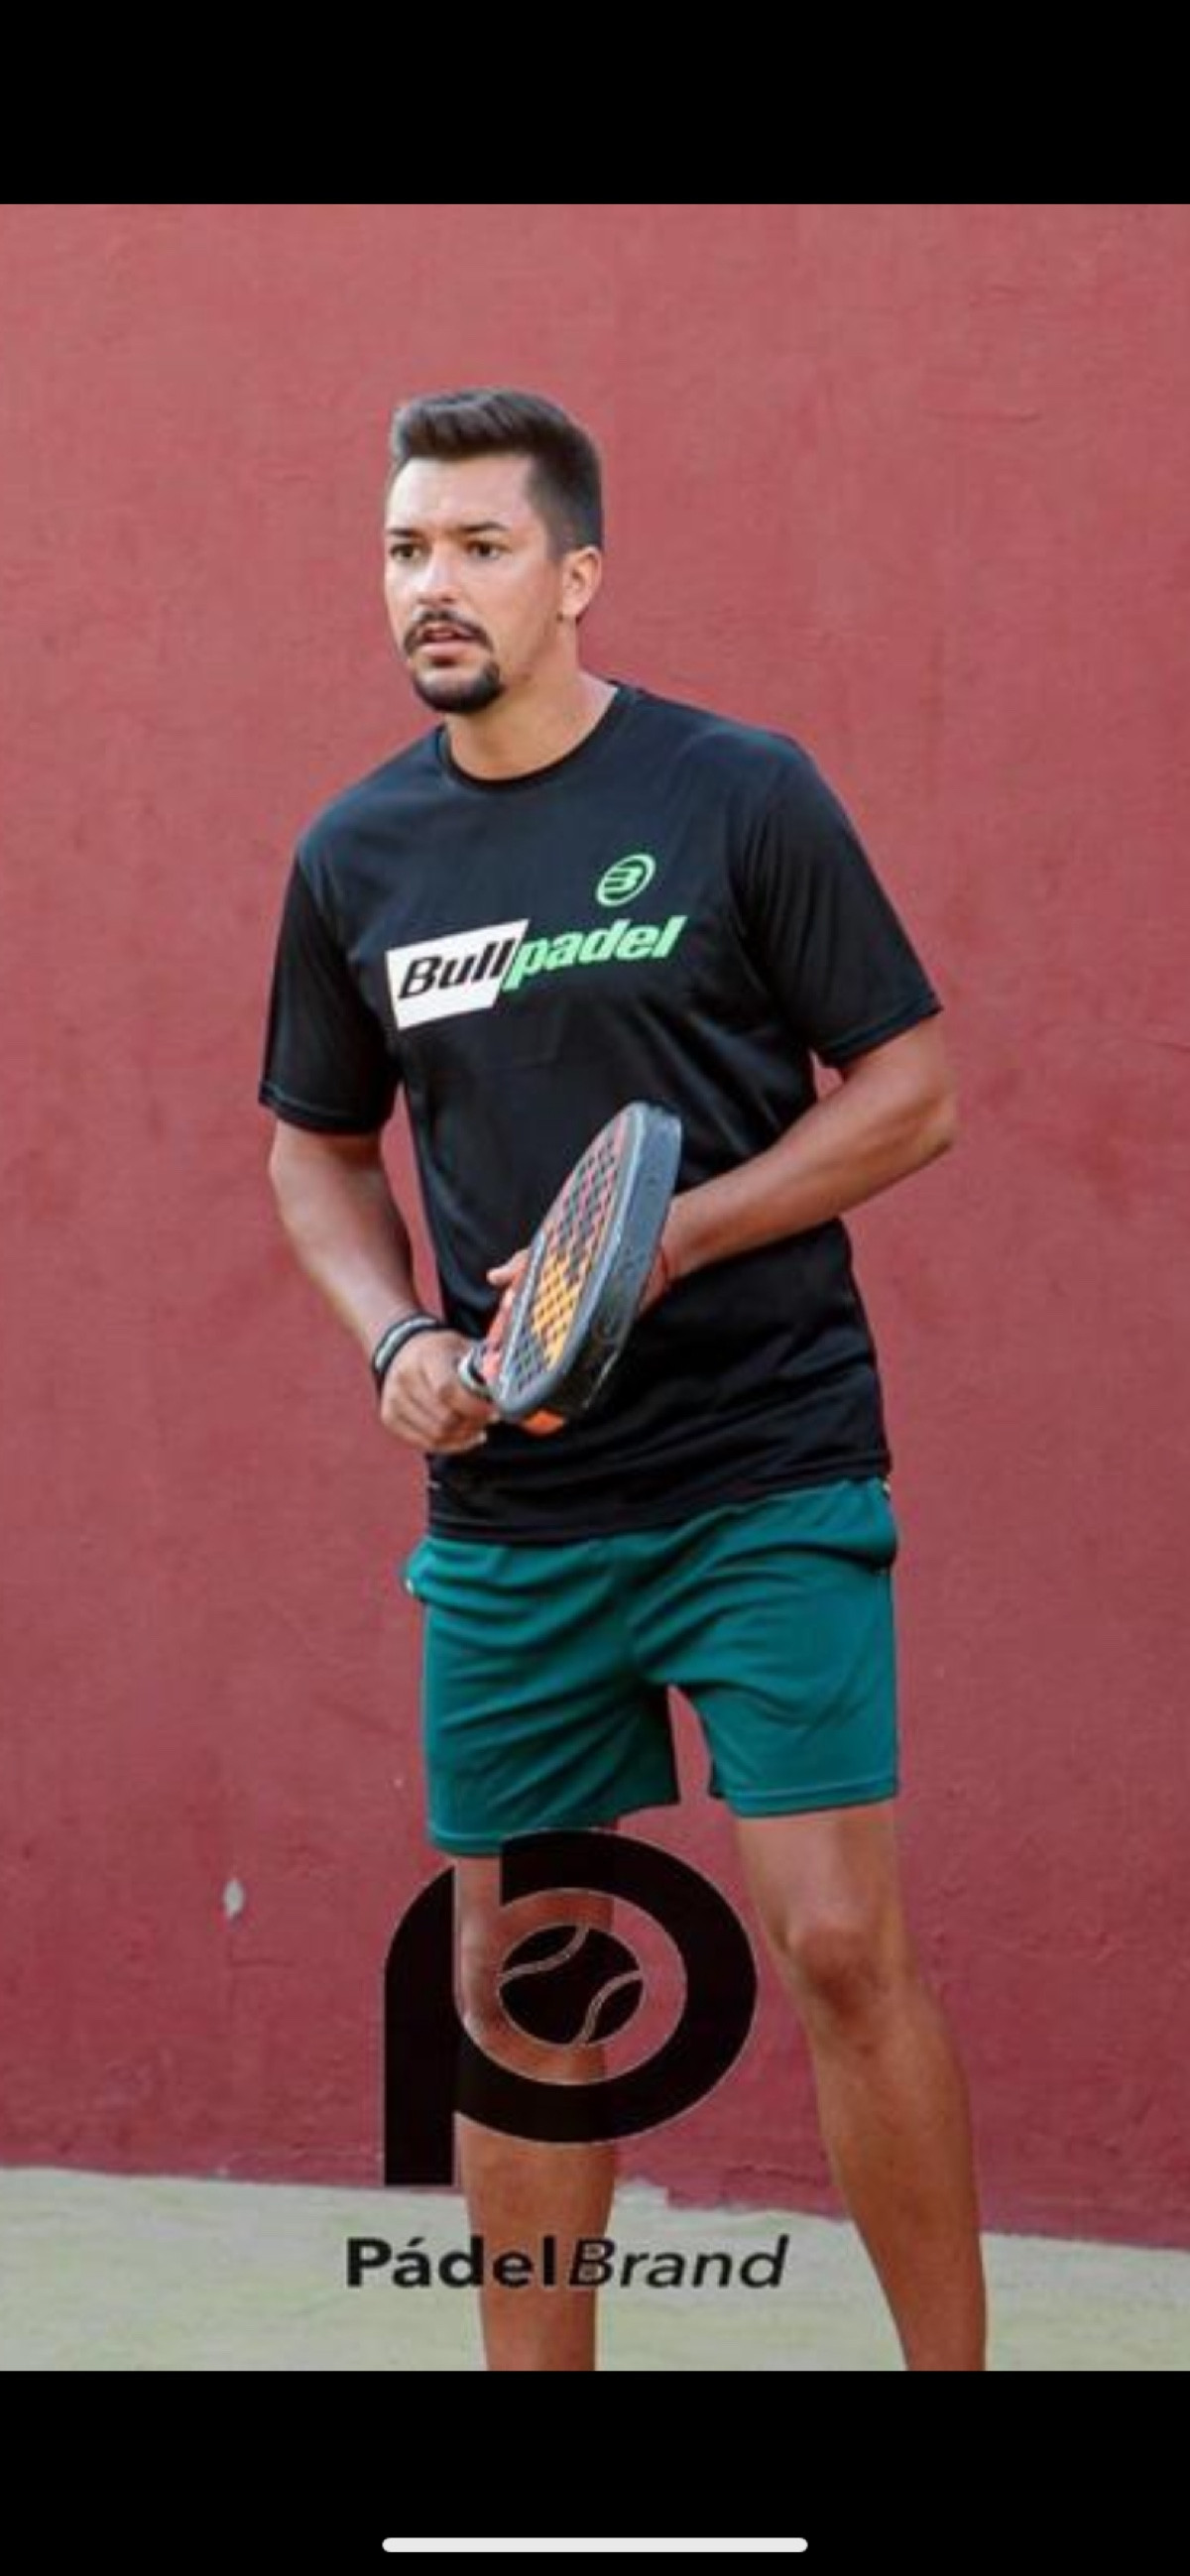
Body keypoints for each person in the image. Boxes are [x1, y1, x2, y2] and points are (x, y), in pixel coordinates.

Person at [259, 387, 986, 2373]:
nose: (434, 585)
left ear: (575, 575)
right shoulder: (355, 856)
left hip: (766, 1472)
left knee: (839, 1946)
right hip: (516, 1509)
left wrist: (669, 1237)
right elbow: (313, 1151)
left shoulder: (740, 793)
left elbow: (912, 1093)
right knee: (527, 1988)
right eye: (406, 549)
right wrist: (399, 1336)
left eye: (480, 547)